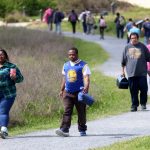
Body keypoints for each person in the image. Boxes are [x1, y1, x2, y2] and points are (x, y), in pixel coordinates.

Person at [55, 47, 91, 137]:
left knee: (81, 112)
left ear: (77, 54)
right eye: (70, 54)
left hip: (80, 92)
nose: (71, 56)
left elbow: (86, 77)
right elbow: (64, 78)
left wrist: (86, 87)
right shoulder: (66, 65)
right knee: (67, 110)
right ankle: (64, 129)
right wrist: (61, 89)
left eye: (73, 54)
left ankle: (82, 129)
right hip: (68, 92)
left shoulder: (83, 65)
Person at [121, 32, 150, 112]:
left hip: (142, 73)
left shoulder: (142, 46)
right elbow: (123, 61)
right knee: (133, 90)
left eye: (134, 38)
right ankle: (134, 105)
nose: (133, 39)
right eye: (132, 38)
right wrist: (122, 71)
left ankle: (143, 104)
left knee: (144, 89)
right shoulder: (126, 47)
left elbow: (148, 58)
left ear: (138, 38)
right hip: (131, 73)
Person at [0, 49, 23, 139]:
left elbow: (21, 79)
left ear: (5, 56)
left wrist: (14, 77)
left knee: (3, 111)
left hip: (8, 94)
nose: (0, 56)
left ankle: (4, 130)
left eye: (2, 54)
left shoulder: (11, 66)